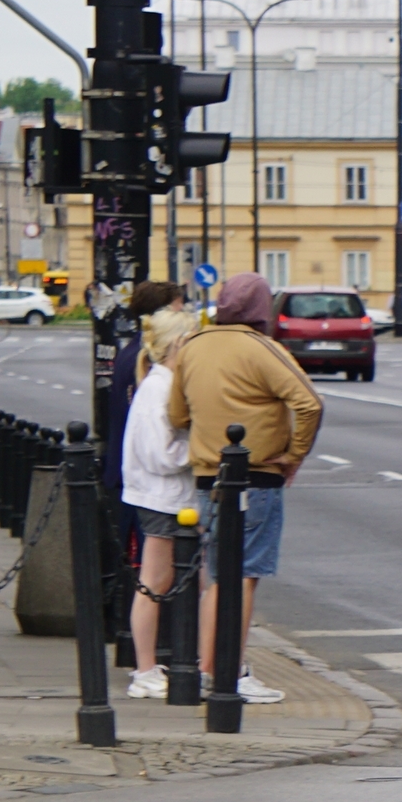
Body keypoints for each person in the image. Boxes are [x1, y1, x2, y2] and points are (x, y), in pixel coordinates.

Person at [168, 273, 322, 704]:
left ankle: (205, 668)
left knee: (216, 576)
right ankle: (227, 671)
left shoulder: (193, 346)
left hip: (206, 475)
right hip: (257, 475)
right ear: (262, 310)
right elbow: (309, 403)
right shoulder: (264, 349)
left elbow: (177, 415)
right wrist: (294, 454)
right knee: (244, 577)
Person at [121, 307, 198, 697]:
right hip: (163, 499)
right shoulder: (160, 388)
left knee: (164, 580)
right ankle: (145, 669)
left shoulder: (159, 383)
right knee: (154, 583)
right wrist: (197, 449)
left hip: (164, 497)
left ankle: (152, 666)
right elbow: (161, 455)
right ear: (178, 344)